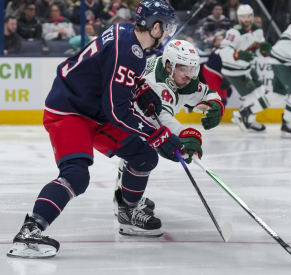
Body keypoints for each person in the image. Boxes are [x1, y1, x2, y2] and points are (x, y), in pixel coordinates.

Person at [7, 0, 179, 259]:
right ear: (154, 27)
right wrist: (156, 134)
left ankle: (129, 211)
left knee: (144, 156)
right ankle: (30, 231)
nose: (167, 33)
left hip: (93, 110)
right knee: (76, 175)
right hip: (69, 111)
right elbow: (117, 111)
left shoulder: (125, 33)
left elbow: (107, 71)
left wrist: (140, 88)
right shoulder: (130, 52)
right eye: (165, 28)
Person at [114, 40, 225, 211]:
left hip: (135, 120)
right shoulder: (156, 84)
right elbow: (159, 118)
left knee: (139, 152)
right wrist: (185, 135)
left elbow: (205, 93)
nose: (189, 74)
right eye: (183, 69)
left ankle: (124, 197)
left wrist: (215, 104)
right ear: (169, 66)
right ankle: (125, 207)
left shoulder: (176, 75)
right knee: (142, 154)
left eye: (192, 68)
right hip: (119, 121)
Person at [232, 4, 291, 138]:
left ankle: (245, 112)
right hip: (281, 61)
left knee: (278, 96)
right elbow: (285, 45)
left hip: (284, 62)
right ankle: (286, 125)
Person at [220, 4, 271, 132]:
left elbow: (257, 49)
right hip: (234, 70)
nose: (246, 19)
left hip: (247, 68)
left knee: (261, 93)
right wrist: (239, 54)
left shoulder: (258, 30)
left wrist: (263, 50)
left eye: (248, 16)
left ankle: (250, 120)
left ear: (252, 17)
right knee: (252, 98)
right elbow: (223, 51)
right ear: (239, 18)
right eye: (243, 17)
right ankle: (240, 115)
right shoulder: (234, 32)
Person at [202, 33, 233, 105]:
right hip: (212, 73)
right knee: (220, 99)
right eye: (218, 39)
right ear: (215, 42)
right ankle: (213, 115)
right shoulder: (218, 51)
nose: (220, 41)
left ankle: (215, 114)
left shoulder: (226, 50)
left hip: (218, 73)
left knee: (222, 99)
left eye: (222, 39)